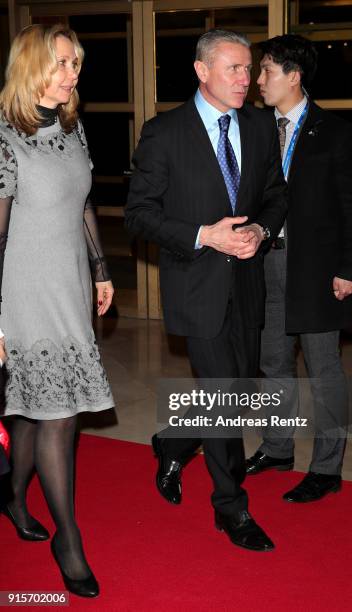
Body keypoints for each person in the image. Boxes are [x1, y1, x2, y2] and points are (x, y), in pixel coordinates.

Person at [126, 29, 287, 552]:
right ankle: (231, 508)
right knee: (223, 399)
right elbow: (140, 214)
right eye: (234, 69)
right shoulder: (164, 132)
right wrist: (204, 236)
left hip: (247, 282)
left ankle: (172, 443)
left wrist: (260, 231)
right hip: (197, 285)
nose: (247, 80)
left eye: (249, 69)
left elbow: (275, 197)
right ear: (202, 71)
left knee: (238, 392)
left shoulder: (261, 128)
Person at [0, 24, 114, 597]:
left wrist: (99, 269)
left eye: (76, 63)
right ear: (31, 66)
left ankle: (14, 498)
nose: (74, 74)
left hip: (68, 282)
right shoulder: (2, 135)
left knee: (29, 409)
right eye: (64, 63)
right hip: (22, 288)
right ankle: (67, 538)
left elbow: (84, 202)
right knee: (58, 412)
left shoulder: (72, 126)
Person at [246, 34, 352, 502]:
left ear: (293, 76)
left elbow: (351, 206)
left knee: (323, 368)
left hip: (317, 271)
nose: (259, 81)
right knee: (272, 362)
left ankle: (326, 468)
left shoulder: (332, 131)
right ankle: (277, 449)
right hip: (265, 265)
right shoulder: (254, 128)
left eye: (267, 72)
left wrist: (350, 267)